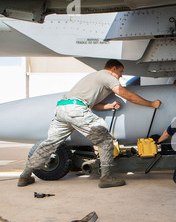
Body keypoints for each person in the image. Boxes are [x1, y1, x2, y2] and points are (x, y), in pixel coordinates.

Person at [18, 59, 162, 188]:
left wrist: (109, 106)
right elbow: (125, 94)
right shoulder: (106, 76)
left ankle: (25, 175)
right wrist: (150, 104)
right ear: (113, 69)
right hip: (76, 109)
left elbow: (92, 105)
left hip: (63, 108)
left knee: (50, 144)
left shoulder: (94, 78)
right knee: (105, 141)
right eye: (120, 72)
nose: (121, 76)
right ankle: (106, 178)